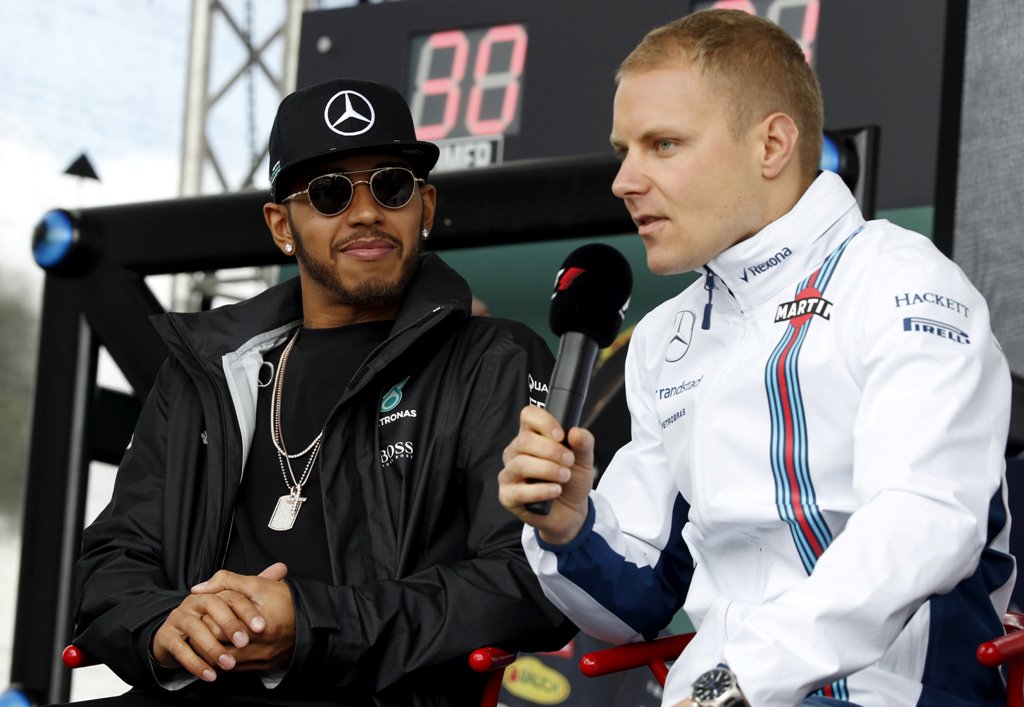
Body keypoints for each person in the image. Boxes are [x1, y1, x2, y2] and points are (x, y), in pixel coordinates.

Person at [498, 9, 1014, 707]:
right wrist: (568, 527)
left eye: (664, 144)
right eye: (624, 149)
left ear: (771, 144)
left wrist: (736, 680)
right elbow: (636, 604)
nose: (624, 179)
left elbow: (923, 524)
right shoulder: (664, 337)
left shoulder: (901, 281)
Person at [67, 77, 573, 706]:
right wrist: (162, 624)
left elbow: (533, 579)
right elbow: (115, 554)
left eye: (391, 185)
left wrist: (313, 623)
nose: (366, 212)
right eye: (330, 194)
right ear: (282, 225)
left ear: (427, 207)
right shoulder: (210, 370)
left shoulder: (494, 359)